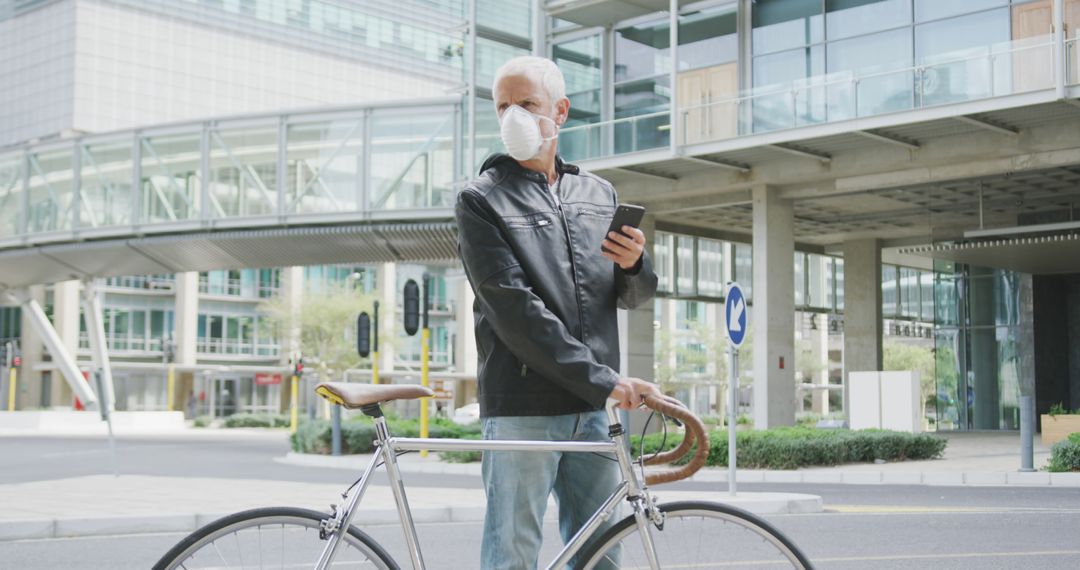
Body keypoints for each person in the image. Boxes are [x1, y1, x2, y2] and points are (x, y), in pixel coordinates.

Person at [454, 56, 660, 570]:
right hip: (523, 407)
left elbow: (629, 296)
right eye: (502, 107)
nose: (512, 119)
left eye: (526, 105)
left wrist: (636, 265)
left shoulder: (598, 193)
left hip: (592, 407)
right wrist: (604, 382)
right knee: (513, 553)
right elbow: (515, 312)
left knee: (601, 555)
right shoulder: (481, 200)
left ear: (560, 112)